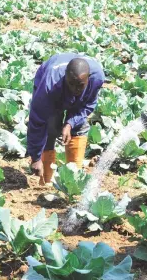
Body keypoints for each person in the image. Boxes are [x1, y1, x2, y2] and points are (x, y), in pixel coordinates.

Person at [27, 52, 105, 186]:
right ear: (65, 78)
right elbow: (37, 121)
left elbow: (87, 105)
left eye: (80, 85)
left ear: (88, 79)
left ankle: (73, 180)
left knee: (79, 126)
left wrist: (69, 123)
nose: (75, 89)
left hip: (75, 78)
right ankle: (45, 180)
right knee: (51, 125)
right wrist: (35, 157)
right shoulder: (48, 86)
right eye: (71, 84)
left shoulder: (97, 77)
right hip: (50, 79)